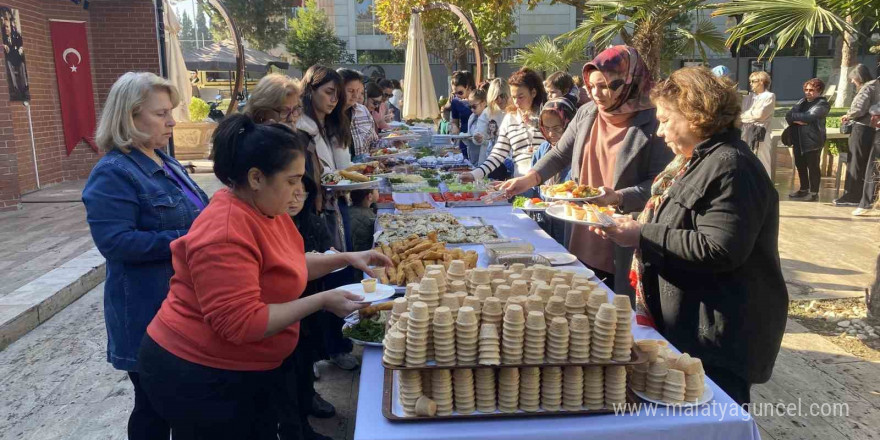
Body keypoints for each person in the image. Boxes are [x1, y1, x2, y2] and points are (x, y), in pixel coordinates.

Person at [137, 114, 392, 438]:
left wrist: (345, 258)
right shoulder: (225, 230)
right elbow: (242, 322)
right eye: (291, 180)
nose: (299, 191)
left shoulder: (264, 208)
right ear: (256, 178)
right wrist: (322, 300)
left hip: (243, 367)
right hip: (197, 371)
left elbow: (284, 262)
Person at [590, 66, 787, 406]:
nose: (659, 132)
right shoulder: (696, 161)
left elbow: (719, 248)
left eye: (666, 120)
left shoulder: (733, 166)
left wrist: (641, 233)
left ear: (696, 115)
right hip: (690, 328)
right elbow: (680, 221)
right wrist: (630, 223)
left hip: (717, 338)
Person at [82, 72, 209, 439]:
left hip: (181, 306)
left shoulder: (164, 161)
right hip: (146, 311)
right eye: (161, 114)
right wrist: (191, 238)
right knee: (155, 409)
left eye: (170, 112)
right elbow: (117, 243)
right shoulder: (113, 173)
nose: (172, 122)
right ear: (129, 116)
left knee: (179, 403)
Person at [499, 46, 673, 299]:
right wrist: (529, 178)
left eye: (607, 86)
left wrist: (618, 197)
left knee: (617, 309)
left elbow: (660, 185)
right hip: (582, 229)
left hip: (624, 232)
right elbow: (559, 154)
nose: (597, 94)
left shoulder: (654, 122)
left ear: (630, 81)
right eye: (592, 86)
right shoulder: (587, 112)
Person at [460, 68, 547, 182]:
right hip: (521, 182)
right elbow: (498, 154)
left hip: (547, 183)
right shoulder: (510, 118)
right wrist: (475, 174)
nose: (516, 102)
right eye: (514, 97)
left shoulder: (546, 115)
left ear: (533, 93)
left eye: (521, 97)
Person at [530, 97, 577, 244]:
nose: (550, 134)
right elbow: (534, 187)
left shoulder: (579, 152)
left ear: (569, 125)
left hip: (568, 224)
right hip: (544, 221)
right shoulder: (542, 150)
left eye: (557, 128)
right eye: (546, 128)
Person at [837, 64, 879, 208]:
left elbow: (859, 109)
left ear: (858, 77)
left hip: (861, 129)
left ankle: (852, 195)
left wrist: (848, 115)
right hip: (871, 130)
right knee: (864, 163)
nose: (851, 82)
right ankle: (860, 195)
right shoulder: (876, 86)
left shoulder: (867, 88)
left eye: (853, 79)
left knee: (855, 161)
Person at [297, 65, 352, 174]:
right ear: (310, 89)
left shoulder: (336, 124)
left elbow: (344, 167)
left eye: (338, 94)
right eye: (328, 92)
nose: (334, 99)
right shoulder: (300, 128)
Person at [786, 78, 830, 201]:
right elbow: (788, 115)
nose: (808, 92)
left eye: (811, 90)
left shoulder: (822, 104)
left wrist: (800, 119)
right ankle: (803, 189)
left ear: (819, 90)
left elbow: (809, 117)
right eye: (806, 89)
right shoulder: (801, 102)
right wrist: (798, 119)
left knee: (813, 167)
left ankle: (814, 192)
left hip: (812, 140)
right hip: (798, 139)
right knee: (800, 165)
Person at [740, 71, 776, 176]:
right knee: (747, 158)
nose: (751, 83)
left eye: (753, 81)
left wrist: (745, 116)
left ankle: (766, 186)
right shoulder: (748, 97)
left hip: (760, 133)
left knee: (762, 159)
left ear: (761, 82)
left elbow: (760, 115)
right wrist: (748, 115)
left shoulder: (769, 96)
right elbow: (742, 113)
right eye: (750, 81)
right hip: (746, 131)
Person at [338, 68, 378, 162]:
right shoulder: (328, 115)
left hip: (367, 172)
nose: (356, 95)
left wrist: (390, 145)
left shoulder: (363, 111)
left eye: (359, 91)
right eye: (350, 91)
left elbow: (374, 143)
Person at [475, 78, 511, 166]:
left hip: (511, 161)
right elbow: (480, 133)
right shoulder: (487, 112)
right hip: (489, 161)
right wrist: (478, 137)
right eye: (495, 97)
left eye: (502, 96)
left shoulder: (515, 112)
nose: (499, 100)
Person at [449, 70, 476, 157]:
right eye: (455, 93)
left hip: (477, 139)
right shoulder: (456, 102)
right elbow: (454, 121)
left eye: (460, 92)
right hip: (463, 140)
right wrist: (454, 127)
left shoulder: (478, 98)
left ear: (467, 87)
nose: (458, 95)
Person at [461, 89, 489, 165]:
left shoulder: (489, 117)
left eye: (474, 106)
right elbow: (469, 137)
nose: (472, 109)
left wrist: (480, 139)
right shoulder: (472, 117)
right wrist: (464, 137)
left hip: (485, 158)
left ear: (484, 103)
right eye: (470, 106)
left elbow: (491, 140)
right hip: (473, 158)